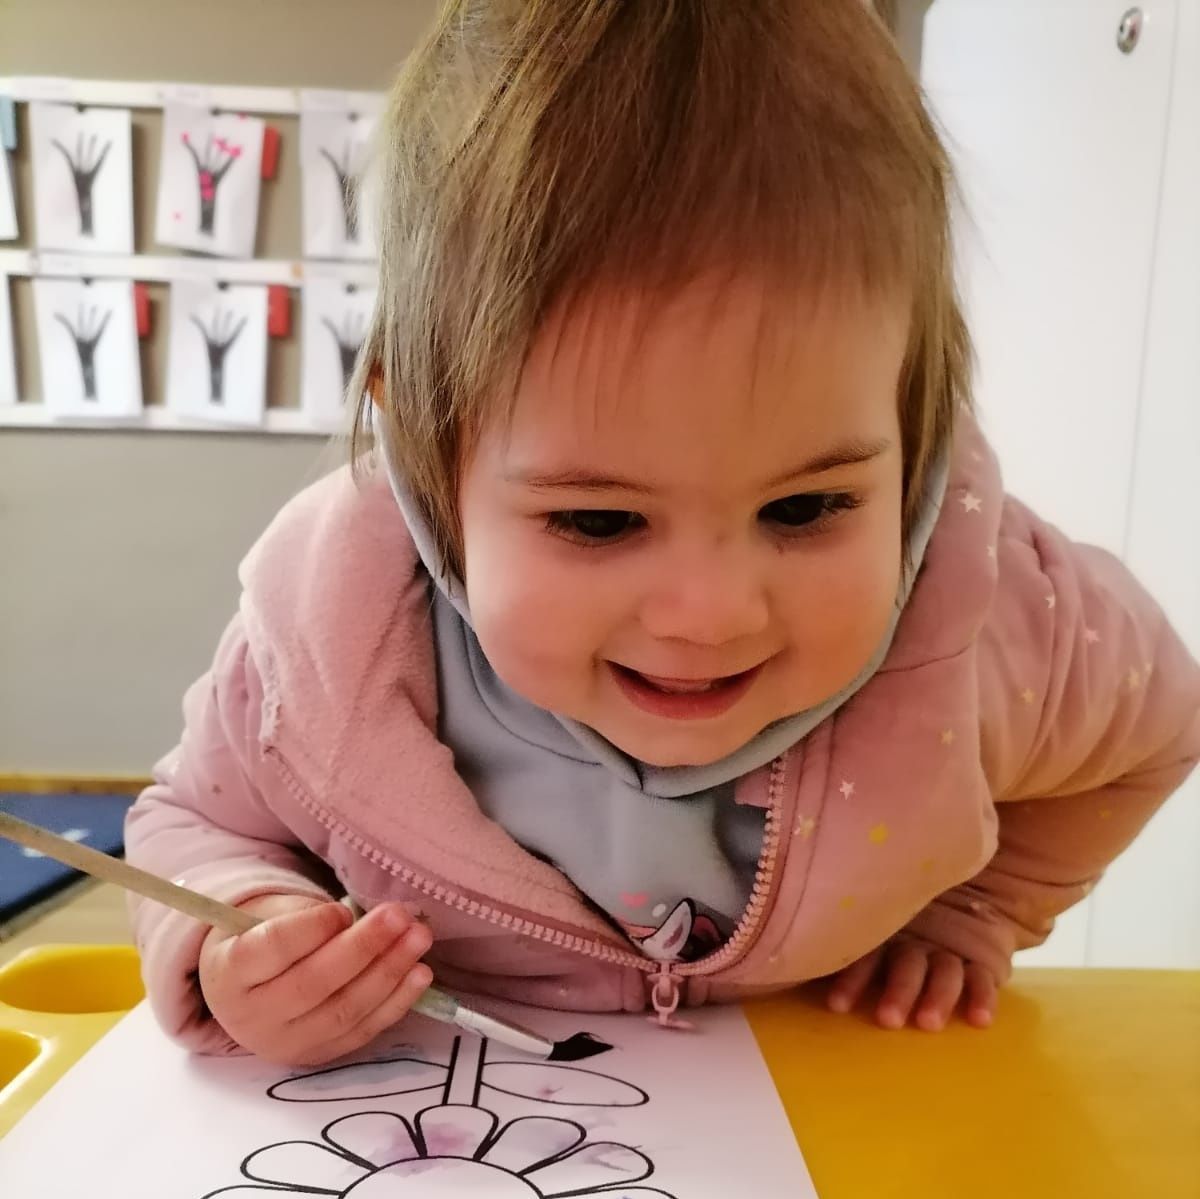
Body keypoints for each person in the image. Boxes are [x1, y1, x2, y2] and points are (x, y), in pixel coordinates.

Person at [126, 0, 1200, 1066]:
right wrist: (241, 930)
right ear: (428, 463)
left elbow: (1159, 726)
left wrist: (979, 911)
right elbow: (192, 820)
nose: (712, 615)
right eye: (599, 518)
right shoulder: (320, 656)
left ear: (911, 443)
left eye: (808, 506)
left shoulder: (994, 623)